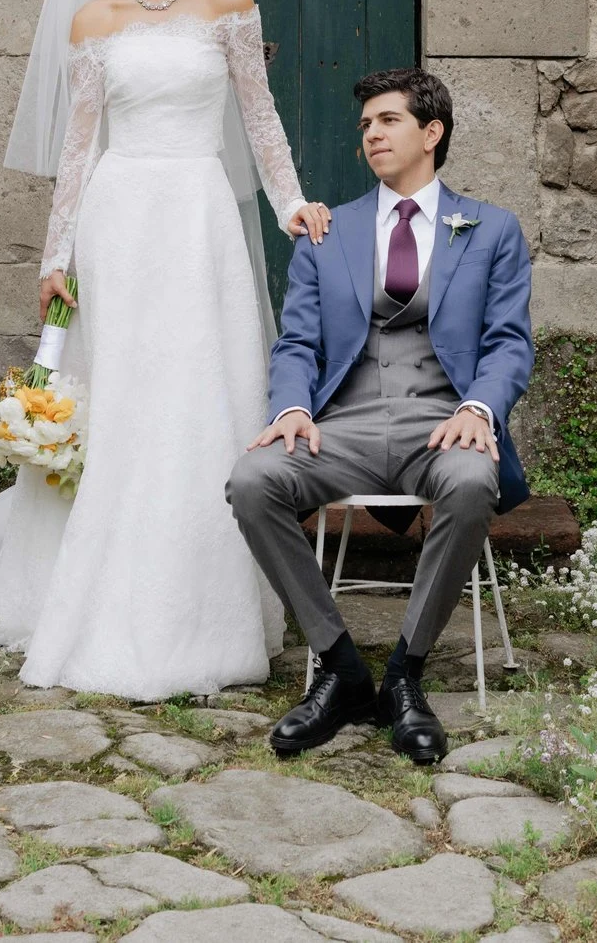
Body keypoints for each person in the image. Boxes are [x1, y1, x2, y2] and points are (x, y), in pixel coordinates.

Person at [0, 0, 331, 700]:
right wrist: (54, 259)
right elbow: (79, 151)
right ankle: (106, 599)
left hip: (197, 216)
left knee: (198, 398)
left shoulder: (230, 7)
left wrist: (292, 203)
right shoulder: (94, 21)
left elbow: (259, 119)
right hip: (120, 221)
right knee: (127, 400)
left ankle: (210, 613)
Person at [227, 67, 534, 765]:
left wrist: (478, 407)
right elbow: (298, 341)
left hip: (442, 419)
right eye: (365, 124)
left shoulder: (493, 229)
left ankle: (405, 672)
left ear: (432, 132)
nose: (371, 134)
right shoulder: (326, 229)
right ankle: (339, 666)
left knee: (469, 479)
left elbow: (508, 341)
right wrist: (294, 407)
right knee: (252, 480)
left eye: (388, 120)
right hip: (347, 424)